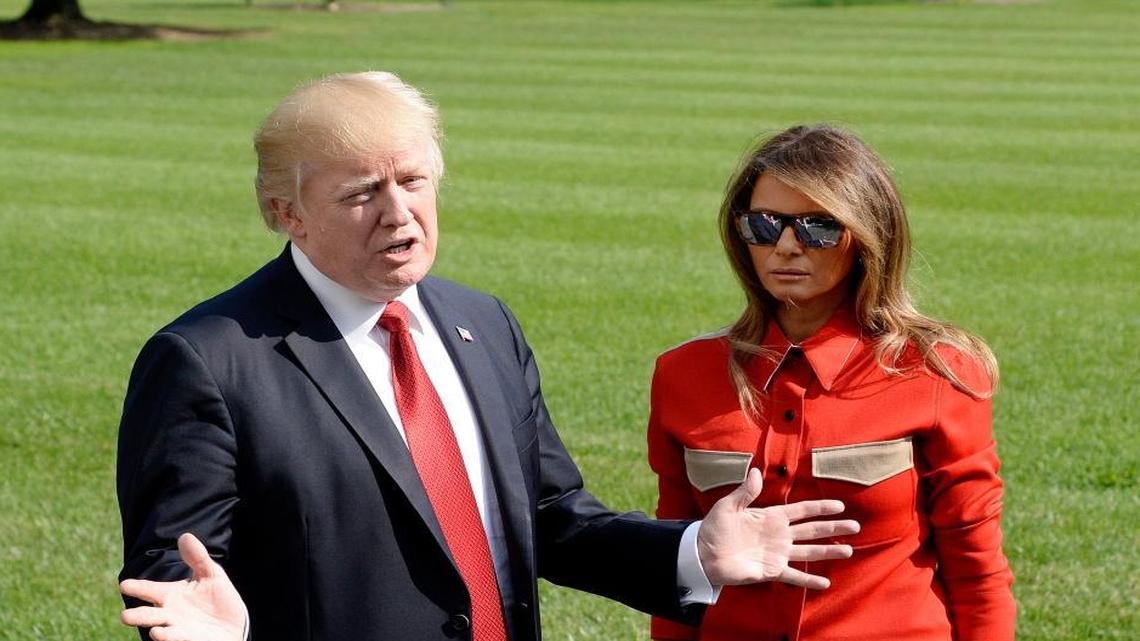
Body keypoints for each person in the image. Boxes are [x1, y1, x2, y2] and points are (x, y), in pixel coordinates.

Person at [116, 73, 861, 641]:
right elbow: (179, 588)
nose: (399, 212)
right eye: (361, 193)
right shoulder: (207, 361)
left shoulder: (481, 322)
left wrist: (695, 553)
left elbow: (548, 518)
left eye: (412, 180)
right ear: (286, 212)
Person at [646, 124, 1017, 641]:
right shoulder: (683, 374)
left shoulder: (935, 370)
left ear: (866, 235)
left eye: (818, 227)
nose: (787, 247)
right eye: (765, 225)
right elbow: (679, 572)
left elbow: (976, 568)